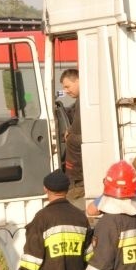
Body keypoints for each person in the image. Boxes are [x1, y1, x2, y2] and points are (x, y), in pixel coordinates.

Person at [15, 170, 93, 270]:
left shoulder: (41, 218)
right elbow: (90, 257)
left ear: (45, 189)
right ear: (68, 189)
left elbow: (32, 261)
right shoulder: (80, 217)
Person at [60, 69, 84, 208]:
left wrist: (71, 136)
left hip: (79, 178)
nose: (66, 91)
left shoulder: (83, 102)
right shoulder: (80, 102)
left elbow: (81, 132)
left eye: (67, 86)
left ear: (78, 80)